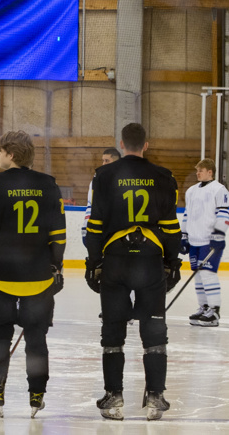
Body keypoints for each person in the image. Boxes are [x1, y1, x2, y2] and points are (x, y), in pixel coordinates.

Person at [85, 123, 181, 421]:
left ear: (122, 144)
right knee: (154, 331)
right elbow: (171, 228)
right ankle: (155, 397)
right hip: (150, 262)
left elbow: (95, 225)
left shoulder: (104, 175)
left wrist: (93, 262)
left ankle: (113, 397)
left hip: (115, 262)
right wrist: (172, 262)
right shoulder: (164, 176)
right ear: (146, 145)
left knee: (113, 332)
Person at [0, 130, 65, 418]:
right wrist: (55, 266)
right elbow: (58, 234)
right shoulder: (49, 185)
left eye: (1, 151)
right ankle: (37, 395)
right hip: (38, 277)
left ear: (11, 155)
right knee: (36, 339)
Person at [181, 158, 229, 327]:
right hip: (194, 239)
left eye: (200, 170)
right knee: (198, 275)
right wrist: (184, 235)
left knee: (208, 273)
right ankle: (204, 307)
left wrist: (219, 233)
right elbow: (187, 214)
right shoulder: (191, 191)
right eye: (197, 170)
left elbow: (224, 213)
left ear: (210, 172)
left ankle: (214, 311)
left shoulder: (219, 190)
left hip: (210, 240)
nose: (197, 173)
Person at [81, 148, 121, 245]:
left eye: (107, 161)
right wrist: (85, 227)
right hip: (97, 230)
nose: (103, 164)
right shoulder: (96, 180)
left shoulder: (124, 181)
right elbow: (91, 205)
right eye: (103, 160)